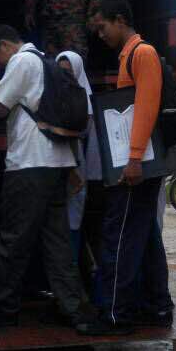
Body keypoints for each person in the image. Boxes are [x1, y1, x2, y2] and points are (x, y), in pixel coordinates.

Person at [0, 25, 90, 328]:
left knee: (14, 239)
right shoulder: (48, 62)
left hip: (29, 164)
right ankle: (76, 311)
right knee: (58, 242)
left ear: (4, 46)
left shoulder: (22, 61)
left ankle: (3, 311)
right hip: (57, 162)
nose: (1, 62)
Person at [76, 0, 174, 336]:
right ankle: (157, 305)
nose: (99, 33)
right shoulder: (128, 55)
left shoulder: (141, 53)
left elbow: (144, 108)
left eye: (103, 26)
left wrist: (133, 159)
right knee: (145, 234)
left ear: (120, 20)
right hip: (139, 162)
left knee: (117, 235)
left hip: (137, 164)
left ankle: (113, 312)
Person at [56, 51, 98, 262]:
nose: (65, 76)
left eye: (69, 72)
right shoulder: (52, 96)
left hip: (76, 163)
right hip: (57, 164)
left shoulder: (87, 104)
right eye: (61, 72)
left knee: (73, 218)